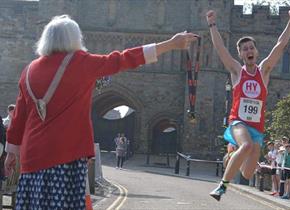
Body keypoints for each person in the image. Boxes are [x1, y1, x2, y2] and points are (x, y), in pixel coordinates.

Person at [4, 14, 198, 210]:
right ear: (74, 38)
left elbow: (19, 118)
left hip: (31, 157)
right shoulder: (81, 63)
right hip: (65, 155)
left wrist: (10, 153)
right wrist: (170, 44)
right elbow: (123, 59)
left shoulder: (29, 70)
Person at [206, 8, 290, 201]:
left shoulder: (263, 71)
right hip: (238, 122)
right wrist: (213, 25)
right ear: (240, 54)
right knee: (246, 145)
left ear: (256, 52)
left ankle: (231, 157)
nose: (248, 51)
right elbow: (221, 49)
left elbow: (280, 45)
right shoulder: (237, 71)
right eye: (244, 49)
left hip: (257, 127)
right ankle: (221, 187)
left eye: (251, 48)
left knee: (247, 173)